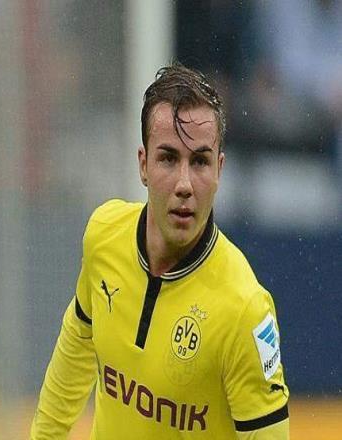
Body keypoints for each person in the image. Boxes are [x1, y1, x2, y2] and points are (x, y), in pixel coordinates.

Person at [31, 62, 289, 439]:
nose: (184, 184)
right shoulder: (104, 235)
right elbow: (75, 350)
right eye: (168, 158)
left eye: (199, 161)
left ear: (219, 170)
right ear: (143, 165)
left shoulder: (245, 308)